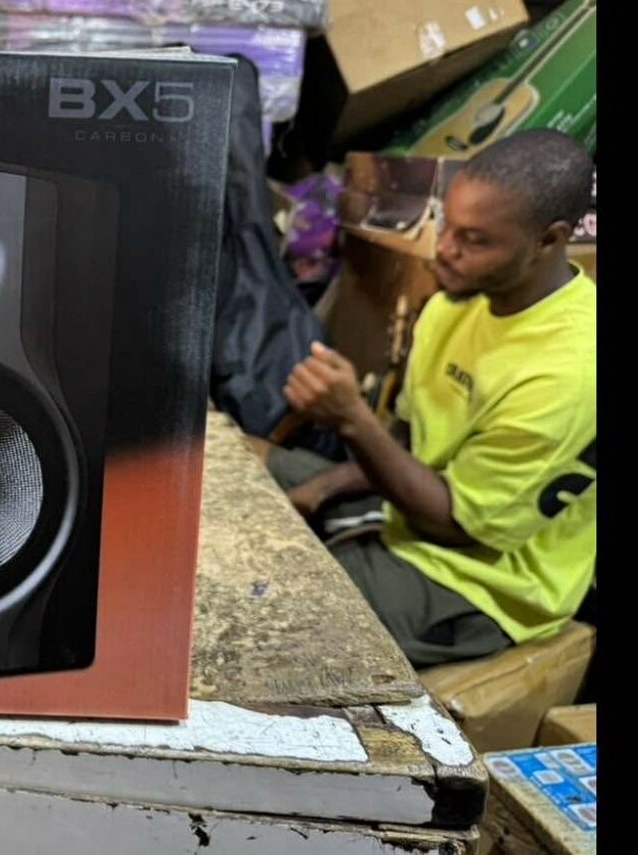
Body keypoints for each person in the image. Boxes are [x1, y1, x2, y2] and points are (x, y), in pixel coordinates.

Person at [254, 130, 596, 668]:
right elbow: (410, 442)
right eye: (445, 223)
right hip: (407, 510)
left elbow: (457, 528)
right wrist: (321, 487)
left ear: (549, 240)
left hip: (478, 580)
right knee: (225, 465)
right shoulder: (460, 300)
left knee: (257, 599)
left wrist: (351, 419)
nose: (444, 249)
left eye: (475, 240)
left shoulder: (569, 374)